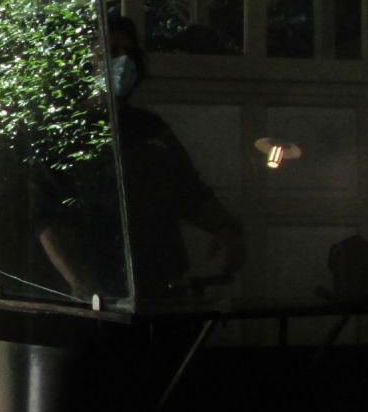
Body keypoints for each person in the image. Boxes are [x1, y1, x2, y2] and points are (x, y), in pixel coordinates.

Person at [36, 16, 243, 303]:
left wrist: (226, 230)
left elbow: (190, 192)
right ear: (87, 62)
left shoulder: (151, 129)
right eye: (110, 52)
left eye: (127, 52)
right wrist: (83, 285)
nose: (121, 60)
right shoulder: (68, 135)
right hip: (100, 298)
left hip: (161, 289)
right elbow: (48, 219)